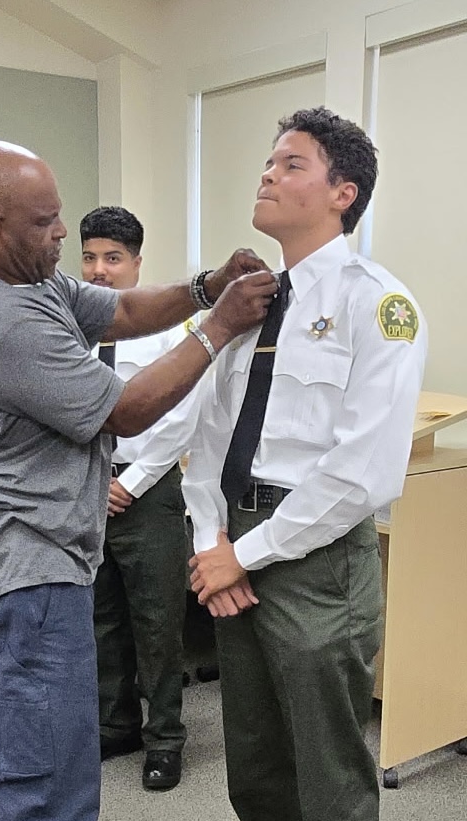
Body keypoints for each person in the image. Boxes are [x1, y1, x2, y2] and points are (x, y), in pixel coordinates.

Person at [0, 139, 277, 821]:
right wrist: (217, 326)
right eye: (45, 222)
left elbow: (120, 311)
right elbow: (123, 410)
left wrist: (204, 286)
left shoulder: (24, 277)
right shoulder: (3, 321)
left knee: (27, 750)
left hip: (27, 558)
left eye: (59, 215)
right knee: (50, 782)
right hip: (23, 571)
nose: (64, 233)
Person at [185, 107, 428, 821]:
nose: (267, 173)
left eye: (291, 164)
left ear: (342, 192)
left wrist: (247, 554)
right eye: (268, 161)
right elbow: (207, 433)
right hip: (233, 538)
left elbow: (362, 472)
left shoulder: (380, 305)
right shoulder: (251, 305)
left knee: (330, 778)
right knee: (255, 765)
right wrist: (211, 544)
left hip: (315, 562)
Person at [81, 206, 199, 791]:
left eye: (113, 259)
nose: (99, 270)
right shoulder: (73, 326)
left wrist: (132, 480)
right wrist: (94, 482)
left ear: (136, 264)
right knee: (102, 615)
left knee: (157, 622)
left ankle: (165, 738)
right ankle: (117, 722)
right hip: (86, 490)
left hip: (146, 492)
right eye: (90, 257)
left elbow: (183, 415)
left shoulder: (168, 331)